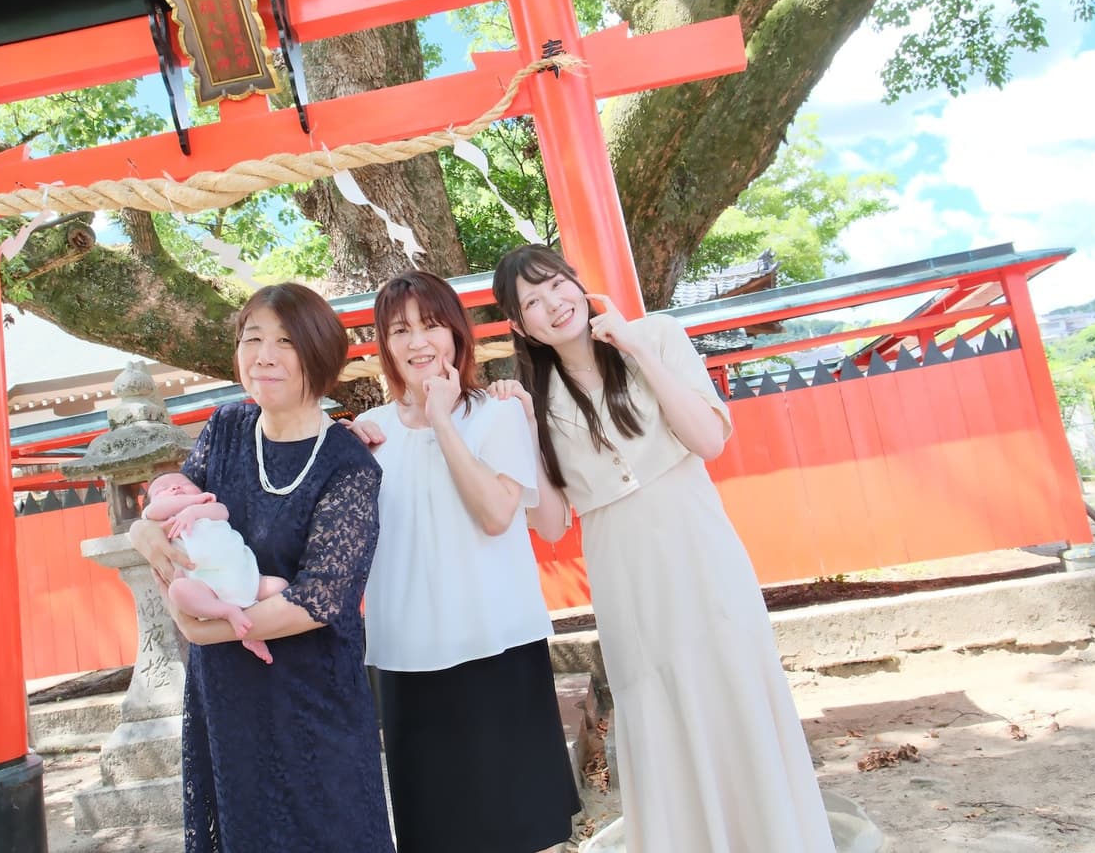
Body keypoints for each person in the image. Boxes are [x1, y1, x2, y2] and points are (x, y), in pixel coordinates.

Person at [491, 245, 835, 853]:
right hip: (624, 570)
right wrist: (520, 434)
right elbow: (549, 523)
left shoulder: (657, 334)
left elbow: (707, 439)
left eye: (556, 286)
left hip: (698, 546)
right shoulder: (535, 398)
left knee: (732, 685)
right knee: (659, 706)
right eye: (533, 304)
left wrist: (637, 349)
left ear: (578, 282)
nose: (553, 306)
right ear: (521, 327)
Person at [127, 282, 393, 853]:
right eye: (253, 339)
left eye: (285, 342)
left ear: (318, 354)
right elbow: (174, 506)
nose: (264, 355)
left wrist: (208, 628)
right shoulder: (224, 429)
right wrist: (144, 534)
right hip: (228, 698)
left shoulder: (349, 465)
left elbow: (322, 599)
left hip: (312, 700)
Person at [347, 270, 581, 853]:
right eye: (400, 329)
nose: (418, 341)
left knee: (523, 827)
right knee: (436, 831)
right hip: (408, 655)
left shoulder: (495, 415)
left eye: (431, 324)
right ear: (385, 344)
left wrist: (443, 419)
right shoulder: (368, 435)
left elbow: (497, 514)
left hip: (497, 643)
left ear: (456, 334)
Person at [141, 471, 289, 664]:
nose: (175, 487)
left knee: (281, 587)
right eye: (163, 489)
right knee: (178, 591)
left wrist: (194, 508)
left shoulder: (210, 508)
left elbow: (222, 512)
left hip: (245, 576)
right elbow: (153, 512)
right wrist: (185, 506)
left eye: (182, 483)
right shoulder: (162, 523)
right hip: (206, 586)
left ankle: (252, 630)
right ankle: (227, 612)